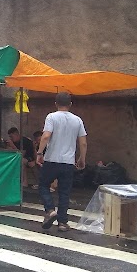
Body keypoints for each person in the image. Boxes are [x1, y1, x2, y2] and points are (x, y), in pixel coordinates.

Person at [36, 92, 88, 232]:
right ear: (70, 104)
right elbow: (83, 142)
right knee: (64, 192)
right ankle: (63, 223)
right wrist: (82, 158)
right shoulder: (77, 120)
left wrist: (40, 152)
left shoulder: (51, 117)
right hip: (68, 162)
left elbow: (46, 136)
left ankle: (50, 210)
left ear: (55, 104)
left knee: (43, 185)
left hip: (51, 160)